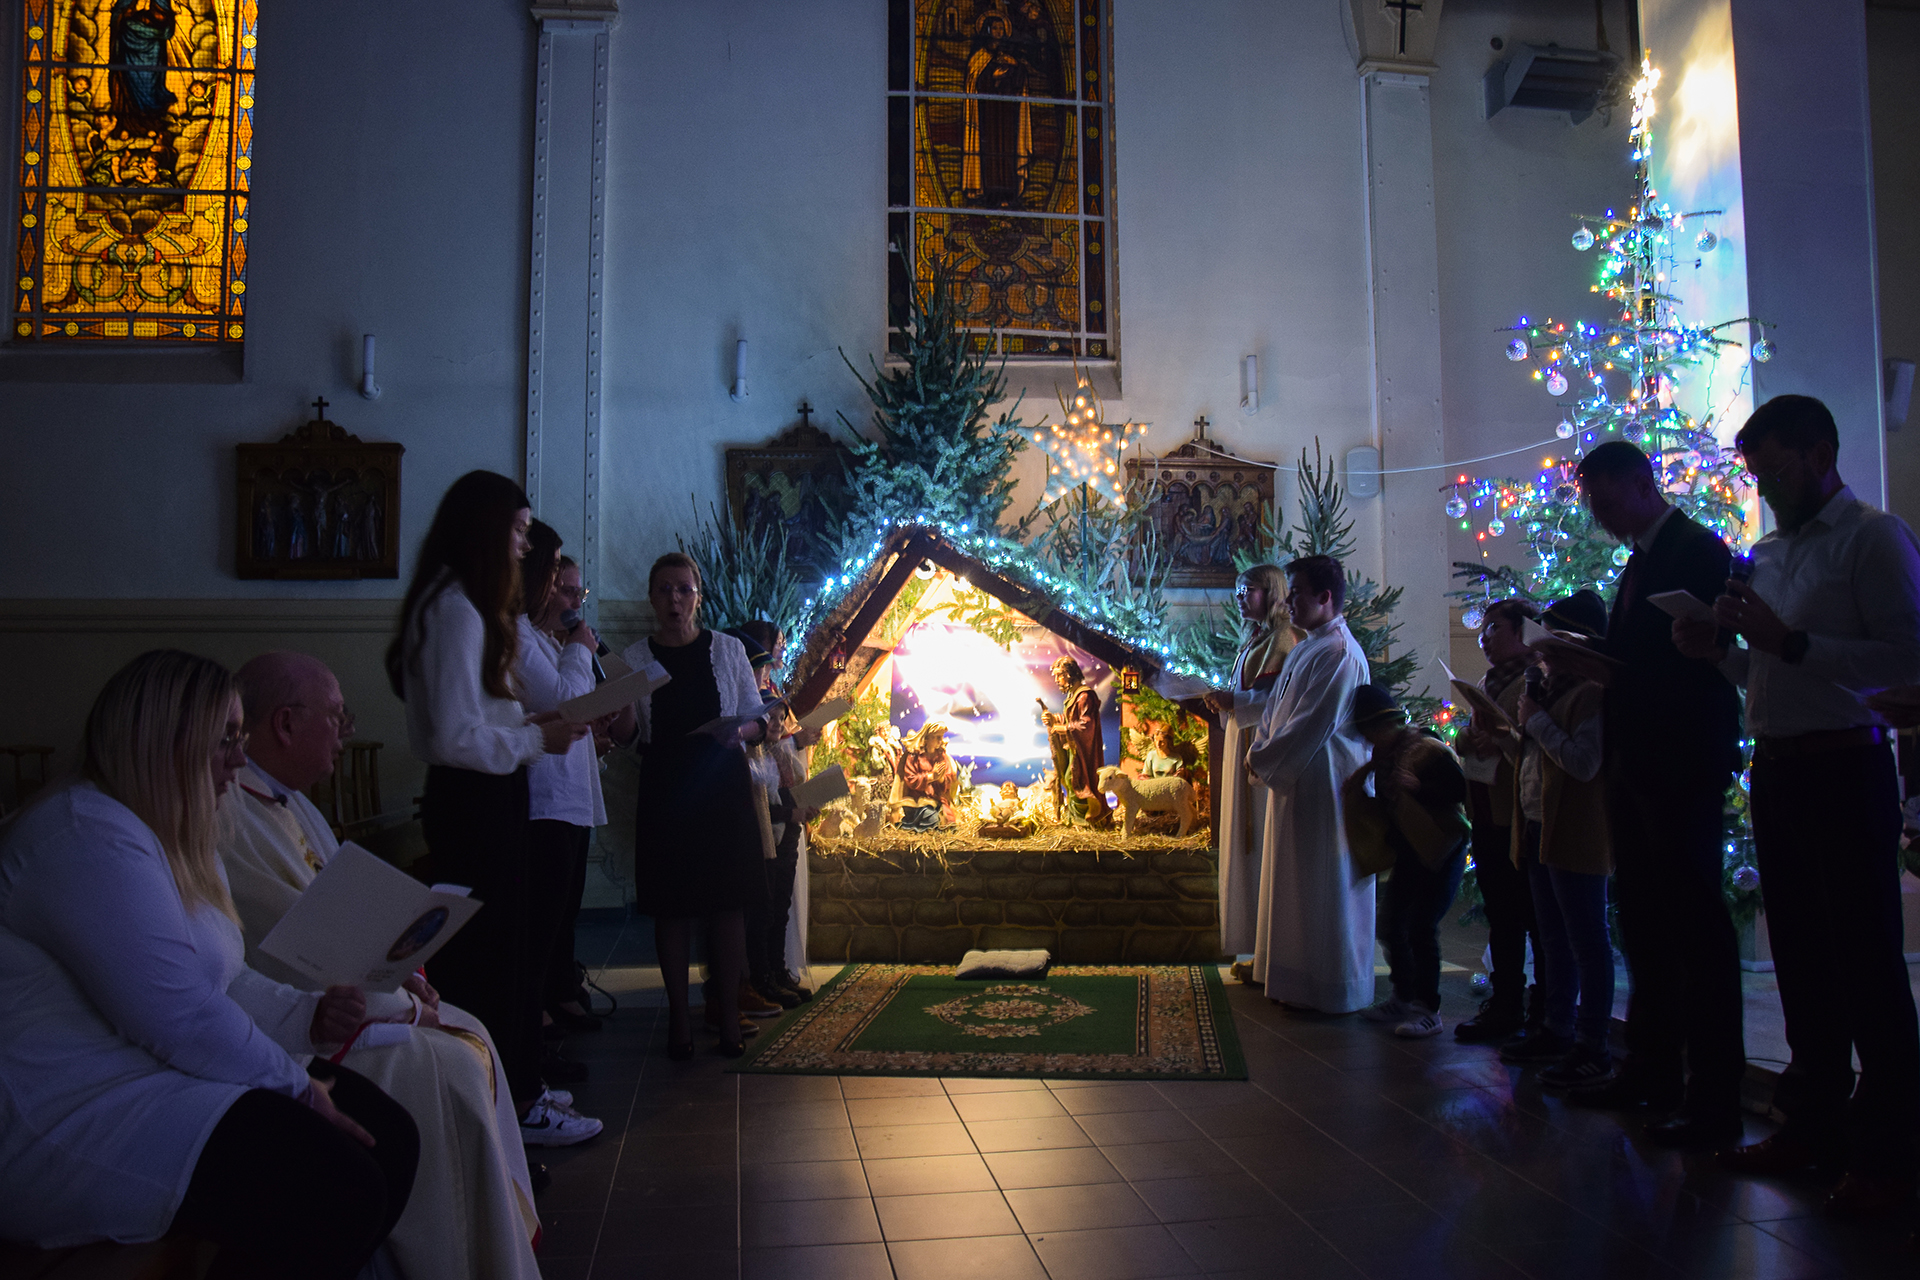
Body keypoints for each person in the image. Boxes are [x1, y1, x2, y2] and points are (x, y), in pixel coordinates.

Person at [0, 650, 418, 1279]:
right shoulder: (84, 834)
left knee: (389, 1136)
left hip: (149, 1079)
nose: (237, 760)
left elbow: (222, 979)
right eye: (224, 740)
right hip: (68, 1112)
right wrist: (296, 1086)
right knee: (336, 1185)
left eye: (239, 739)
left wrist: (308, 1017)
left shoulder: (170, 829)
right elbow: (176, 1014)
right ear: (163, 740)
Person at [219, 651, 547, 1278]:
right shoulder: (233, 817)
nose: (345, 733)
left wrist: (411, 975)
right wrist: (401, 1001)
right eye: (337, 718)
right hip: (306, 1032)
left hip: (344, 1008)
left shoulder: (289, 802)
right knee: (451, 1064)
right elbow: (290, 954)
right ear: (286, 724)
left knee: (470, 1032)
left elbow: (347, 913)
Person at [1673, 394, 1920, 1212]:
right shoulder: (1769, 552)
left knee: (1866, 965)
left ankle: (1890, 1155)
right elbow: (1769, 677)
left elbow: (1907, 659)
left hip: (1846, 768)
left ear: (1820, 455)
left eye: (1775, 471)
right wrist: (1718, 655)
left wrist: (1791, 641)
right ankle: (1812, 1127)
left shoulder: (1873, 538)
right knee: (1804, 963)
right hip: (1778, 769)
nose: (1765, 489)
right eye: (1755, 475)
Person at [384, 471, 598, 1145]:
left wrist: (527, 724)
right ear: (484, 529)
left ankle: (514, 1087)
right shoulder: (454, 608)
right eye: (518, 531)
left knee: (508, 949)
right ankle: (507, 1103)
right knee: (489, 957)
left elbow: (475, 717)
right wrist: (536, 738)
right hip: (472, 799)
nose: (524, 546)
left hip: (489, 792)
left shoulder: (465, 605)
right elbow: (453, 737)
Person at [1557, 441, 1745, 1147]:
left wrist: (1610, 668)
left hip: (1681, 761)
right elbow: (1640, 656)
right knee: (1641, 924)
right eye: (1592, 505)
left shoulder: (1697, 551)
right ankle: (1652, 1070)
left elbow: (1703, 658)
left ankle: (1712, 1095)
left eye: (1605, 502)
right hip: (1635, 763)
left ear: (1642, 484)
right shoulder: (1639, 561)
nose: (1599, 517)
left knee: (1695, 929)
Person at [616, 552, 779, 1058]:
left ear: (699, 598)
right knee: (672, 907)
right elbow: (626, 735)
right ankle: (678, 1021)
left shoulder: (728, 650)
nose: (675, 599)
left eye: (684, 589)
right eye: (665, 589)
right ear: (652, 598)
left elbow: (759, 718)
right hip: (666, 788)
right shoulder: (633, 657)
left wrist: (742, 730)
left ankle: (728, 1017)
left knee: (727, 902)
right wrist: (615, 707)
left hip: (721, 785)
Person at [1493, 592, 1615, 1091]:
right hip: (1538, 823)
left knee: (1587, 940)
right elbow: (1532, 759)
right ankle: (1555, 1028)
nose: (1542, 653)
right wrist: (1510, 733)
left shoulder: (1590, 694)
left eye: (1554, 642)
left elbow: (1584, 764)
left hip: (1575, 829)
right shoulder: (1544, 691)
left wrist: (1536, 722)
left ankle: (1592, 1043)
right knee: (1552, 939)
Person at [1246, 554, 1374, 1013]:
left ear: (1325, 597)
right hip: (1297, 778)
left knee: (1324, 886)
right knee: (1296, 884)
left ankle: (1330, 987)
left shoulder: (1338, 652)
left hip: (1325, 781)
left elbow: (1313, 722)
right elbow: (1275, 711)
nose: (1288, 601)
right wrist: (1260, 747)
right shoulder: (1307, 646)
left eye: (1297, 592)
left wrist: (1263, 757)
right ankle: (1295, 979)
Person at [514, 524, 609, 1081]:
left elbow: (571, 708)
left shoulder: (548, 643)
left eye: (576, 591)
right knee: (538, 925)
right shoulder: (523, 637)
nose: (570, 598)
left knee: (559, 915)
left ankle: (545, 1016)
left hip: (569, 793)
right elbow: (565, 701)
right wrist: (579, 651)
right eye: (560, 584)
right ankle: (532, 1037)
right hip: (542, 797)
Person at [1348, 684, 1469, 1038]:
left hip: (1441, 849)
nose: (1369, 740)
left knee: (1421, 926)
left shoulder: (1426, 750)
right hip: (1412, 851)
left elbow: (1458, 790)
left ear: (1387, 726)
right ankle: (1402, 996)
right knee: (1391, 924)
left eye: (1372, 732)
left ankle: (1427, 1009)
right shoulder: (1386, 758)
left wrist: (1419, 787)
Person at [1451, 599, 1541, 1043]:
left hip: (1517, 812)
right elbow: (1468, 737)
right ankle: (1505, 1001)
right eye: (1482, 630)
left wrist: (1501, 740)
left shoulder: (1535, 678)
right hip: (1485, 807)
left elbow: (1537, 744)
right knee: (1500, 912)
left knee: (1526, 914)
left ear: (1523, 632)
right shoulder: (1489, 680)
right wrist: (1469, 737)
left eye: (1494, 628)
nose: (1484, 638)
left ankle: (1535, 1007)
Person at [1204, 563, 1294, 977]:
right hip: (1243, 738)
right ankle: (1255, 949)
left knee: (1256, 844)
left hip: (1261, 746)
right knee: (1245, 846)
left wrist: (1234, 702)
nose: (1241, 599)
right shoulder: (1258, 637)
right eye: (1238, 592)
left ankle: (1268, 952)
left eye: (1249, 591)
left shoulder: (1284, 638)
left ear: (1272, 592)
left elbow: (1280, 699)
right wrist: (1226, 701)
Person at [734, 618, 817, 1009]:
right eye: (776, 644)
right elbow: (759, 772)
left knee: (779, 902)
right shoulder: (748, 700)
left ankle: (777, 970)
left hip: (786, 808)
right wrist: (789, 738)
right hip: (768, 813)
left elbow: (782, 750)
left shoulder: (772, 692)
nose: (781, 650)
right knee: (763, 905)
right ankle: (760, 977)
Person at [1043, 656, 1111, 827]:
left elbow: (1086, 724)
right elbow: (1068, 719)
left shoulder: (1084, 696)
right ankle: (1073, 817)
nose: (1057, 680)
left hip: (1083, 750)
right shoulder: (1073, 696)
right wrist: (1053, 719)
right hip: (1073, 748)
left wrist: (1064, 728)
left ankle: (1083, 818)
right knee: (1069, 779)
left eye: (1059, 675)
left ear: (1069, 674)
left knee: (1075, 780)